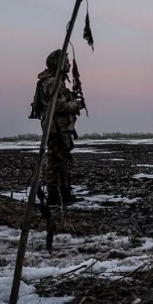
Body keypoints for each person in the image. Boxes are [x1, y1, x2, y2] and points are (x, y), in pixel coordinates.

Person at [36, 49, 85, 206]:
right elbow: (58, 106)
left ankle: (64, 194)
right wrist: (77, 104)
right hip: (55, 129)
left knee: (62, 160)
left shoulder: (57, 81)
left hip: (61, 128)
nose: (70, 65)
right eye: (66, 62)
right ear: (58, 64)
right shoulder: (52, 82)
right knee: (55, 161)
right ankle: (54, 196)